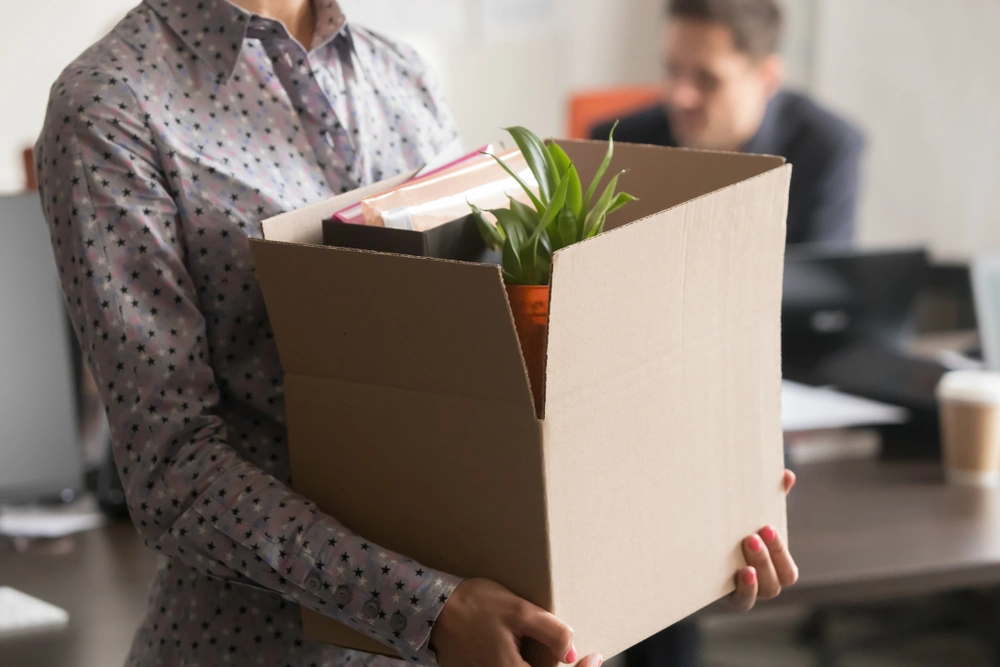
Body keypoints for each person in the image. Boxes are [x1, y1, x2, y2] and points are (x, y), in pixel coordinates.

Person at [35, 1, 798, 665]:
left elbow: (484, 392)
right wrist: (432, 610)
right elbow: (174, 474)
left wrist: (685, 533)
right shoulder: (111, 105)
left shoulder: (402, 76)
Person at [592, 0, 866, 246]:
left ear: (768, 78)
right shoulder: (617, 144)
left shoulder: (827, 148)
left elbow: (824, 290)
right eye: (672, 69)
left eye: (708, 80)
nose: (680, 97)